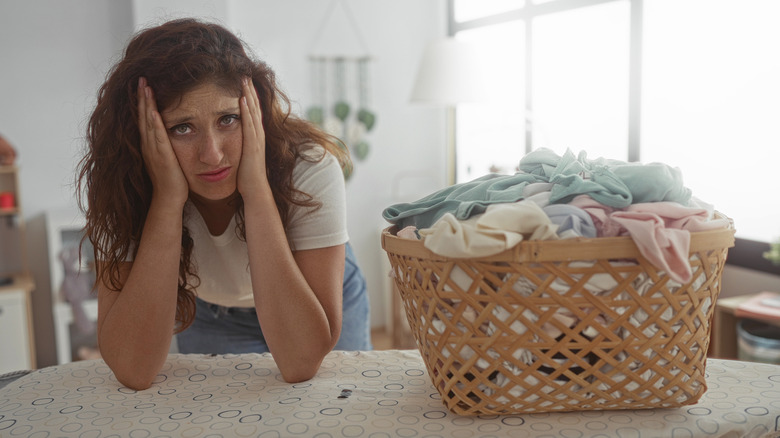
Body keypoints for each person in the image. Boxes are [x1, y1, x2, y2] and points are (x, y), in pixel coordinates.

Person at [76, 18, 371, 390]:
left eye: (228, 119)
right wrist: (167, 202)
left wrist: (258, 193)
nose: (212, 155)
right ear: (141, 132)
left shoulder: (309, 167)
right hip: (213, 311)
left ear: (254, 112)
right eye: (182, 127)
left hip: (314, 294)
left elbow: (300, 362)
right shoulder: (122, 183)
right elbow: (133, 369)